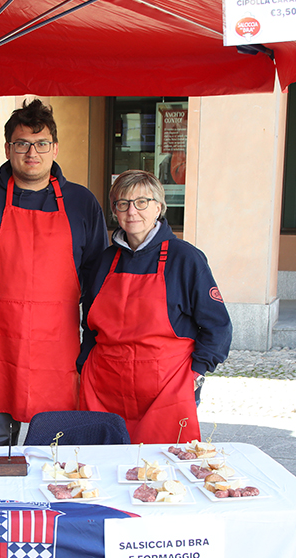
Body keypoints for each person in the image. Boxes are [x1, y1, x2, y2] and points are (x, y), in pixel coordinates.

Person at [0, 99, 107, 446]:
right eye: (22, 144)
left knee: (52, 445)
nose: (32, 153)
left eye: (41, 144)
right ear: (8, 148)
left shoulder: (82, 202)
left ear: (54, 148)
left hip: (57, 342)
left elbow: (96, 269)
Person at [78, 170, 232, 444]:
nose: (131, 211)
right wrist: (84, 363)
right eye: (122, 203)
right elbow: (89, 323)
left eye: (142, 202)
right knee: (101, 467)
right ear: (114, 210)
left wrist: (195, 373)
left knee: (163, 472)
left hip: (168, 389)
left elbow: (217, 325)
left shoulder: (185, 258)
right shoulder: (105, 261)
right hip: (104, 387)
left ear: (159, 207)